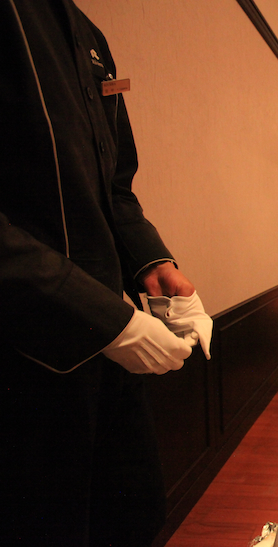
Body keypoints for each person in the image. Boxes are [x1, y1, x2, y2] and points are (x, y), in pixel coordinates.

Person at [0, 1, 213, 544]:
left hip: (109, 344)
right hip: (26, 355)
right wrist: (103, 319)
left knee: (134, 512)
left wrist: (156, 264)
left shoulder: (89, 35)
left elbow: (115, 187)